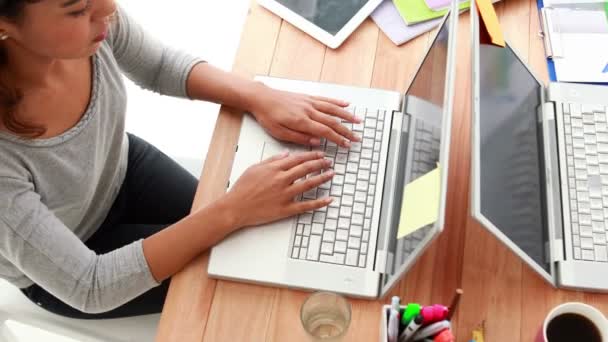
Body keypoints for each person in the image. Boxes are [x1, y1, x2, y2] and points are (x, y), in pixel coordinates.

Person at [0, 0, 361, 319]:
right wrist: (233, 209)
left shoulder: (92, 23)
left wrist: (258, 96)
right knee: (246, 280)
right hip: (74, 266)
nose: (108, 8)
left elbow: (157, 65)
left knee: (262, 240)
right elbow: (90, 285)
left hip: (122, 171)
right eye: (77, 8)